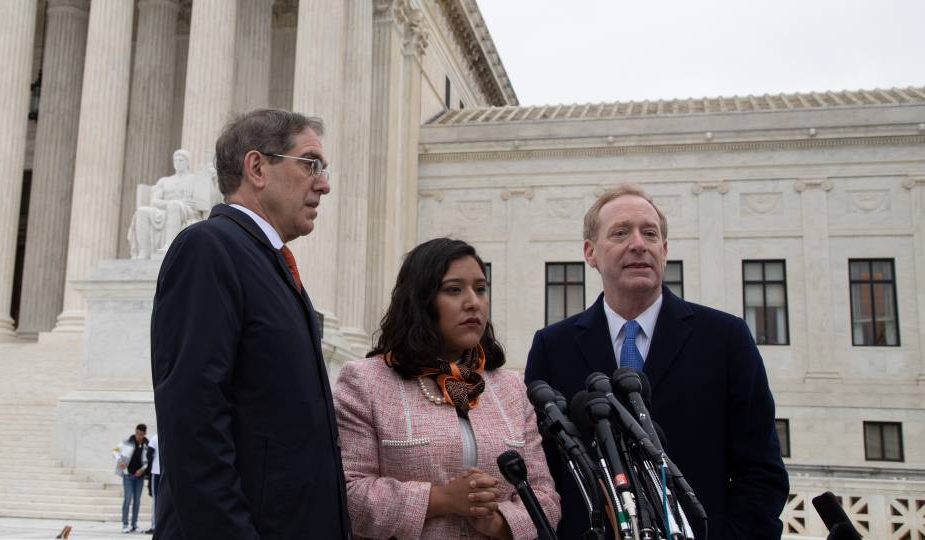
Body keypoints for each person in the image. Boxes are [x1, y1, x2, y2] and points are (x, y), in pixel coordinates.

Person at [524, 185, 789, 539]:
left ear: (663, 250)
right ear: (590, 252)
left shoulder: (726, 338)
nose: (638, 244)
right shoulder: (552, 347)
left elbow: (761, 474)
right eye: (620, 233)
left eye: (650, 233)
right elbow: (543, 474)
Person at [151, 109, 350, 539]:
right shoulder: (207, 248)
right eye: (311, 164)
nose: (324, 183)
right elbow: (194, 425)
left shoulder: (269, 263)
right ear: (257, 167)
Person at [334, 238, 561, 539]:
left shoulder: (510, 389)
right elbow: (348, 494)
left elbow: (546, 497)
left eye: (480, 289)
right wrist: (441, 499)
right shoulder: (365, 382)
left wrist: (498, 523)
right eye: (454, 289)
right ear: (421, 300)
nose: (473, 302)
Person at [113, 424, 151, 534]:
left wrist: (142, 470)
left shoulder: (146, 445)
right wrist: (120, 461)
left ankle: (134, 525)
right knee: (127, 499)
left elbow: (148, 461)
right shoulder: (127, 442)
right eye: (137, 433)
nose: (139, 436)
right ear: (135, 432)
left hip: (139, 477)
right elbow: (115, 451)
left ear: (144, 434)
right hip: (128, 476)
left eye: (141, 434)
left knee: (137, 501)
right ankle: (125, 524)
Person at [145, 433, 159, 535]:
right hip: (166, 473)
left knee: (156, 500)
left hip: (156, 472)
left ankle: (154, 526)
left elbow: (149, 455)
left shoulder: (154, 438)